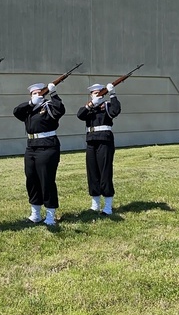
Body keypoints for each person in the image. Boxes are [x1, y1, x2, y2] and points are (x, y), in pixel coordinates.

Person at [13, 81, 65, 226]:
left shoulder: (48, 106)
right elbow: (16, 111)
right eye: (33, 93)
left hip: (47, 146)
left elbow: (60, 110)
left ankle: (50, 214)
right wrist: (31, 103)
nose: (36, 95)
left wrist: (54, 94)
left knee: (46, 179)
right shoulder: (28, 109)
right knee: (32, 179)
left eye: (39, 93)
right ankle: (35, 213)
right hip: (31, 147)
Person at [76, 82, 121, 215]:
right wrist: (91, 104)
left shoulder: (106, 105)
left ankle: (107, 206)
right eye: (94, 93)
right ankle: (95, 204)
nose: (96, 95)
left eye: (98, 93)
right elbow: (80, 115)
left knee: (105, 171)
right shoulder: (89, 107)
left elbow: (115, 111)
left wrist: (113, 94)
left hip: (104, 140)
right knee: (92, 172)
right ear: (91, 95)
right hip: (91, 140)